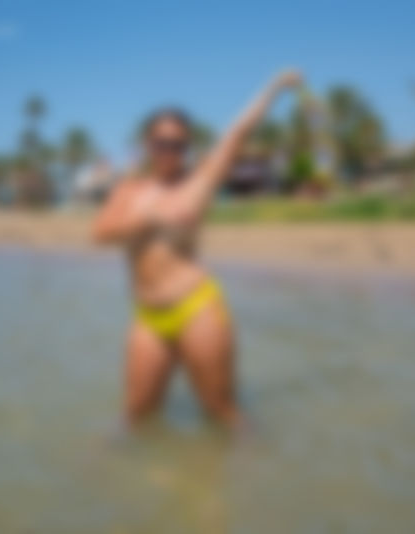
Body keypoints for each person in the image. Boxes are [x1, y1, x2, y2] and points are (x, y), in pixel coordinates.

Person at [92, 70, 303, 430]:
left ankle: (247, 472)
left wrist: (274, 87)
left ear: (187, 147)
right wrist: (150, 218)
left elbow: (237, 132)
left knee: (221, 412)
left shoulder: (198, 182)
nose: (170, 152)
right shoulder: (128, 190)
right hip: (148, 317)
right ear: (148, 142)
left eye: (179, 145)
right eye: (162, 142)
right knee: (135, 414)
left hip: (196, 308)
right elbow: (99, 234)